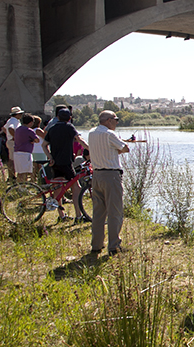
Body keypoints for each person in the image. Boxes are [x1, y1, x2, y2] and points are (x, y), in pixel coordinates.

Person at [88, 111, 130, 255]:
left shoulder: (91, 133)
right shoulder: (109, 134)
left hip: (97, 175)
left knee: (98, 213)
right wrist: (119, 147)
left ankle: (96, 245)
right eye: (116, 119)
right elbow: (125, 148)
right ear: (108, 120)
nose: (117, 122)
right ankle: (114, 246)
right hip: (111, 175)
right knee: (115, 212)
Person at [43, 109, 88, 221]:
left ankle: (62, 216)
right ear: (69, 118)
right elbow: (79, 139)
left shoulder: (52, 129)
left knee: (58, 189)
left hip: (55, 163)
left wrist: (50, 157)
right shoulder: (69, 127)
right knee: (76, 188)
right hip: (66, 162)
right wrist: (90, 149)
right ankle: (78, 215)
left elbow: (44, 145)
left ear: (57, 117)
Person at [12, 114, 38, 183]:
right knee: (25, 172)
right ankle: (23, 187)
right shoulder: (29, 130)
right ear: (30, 122)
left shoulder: (17, 129)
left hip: (17, 152)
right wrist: (31, 141)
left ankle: (19, 186)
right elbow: (37, 140)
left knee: (20, 172)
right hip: (25, 153)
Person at [3, 106, 23, 181]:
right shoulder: (14, 121)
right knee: (12, 160)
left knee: (11, 159)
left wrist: (8, 135)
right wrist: (15, 137)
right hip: (13, 142)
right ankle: (11, 176)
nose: (21, 115)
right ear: (16, 114)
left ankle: (11, 175)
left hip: (10, 141)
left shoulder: (11, 120)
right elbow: (10, 128)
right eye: (20, 113)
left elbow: (4, 128)